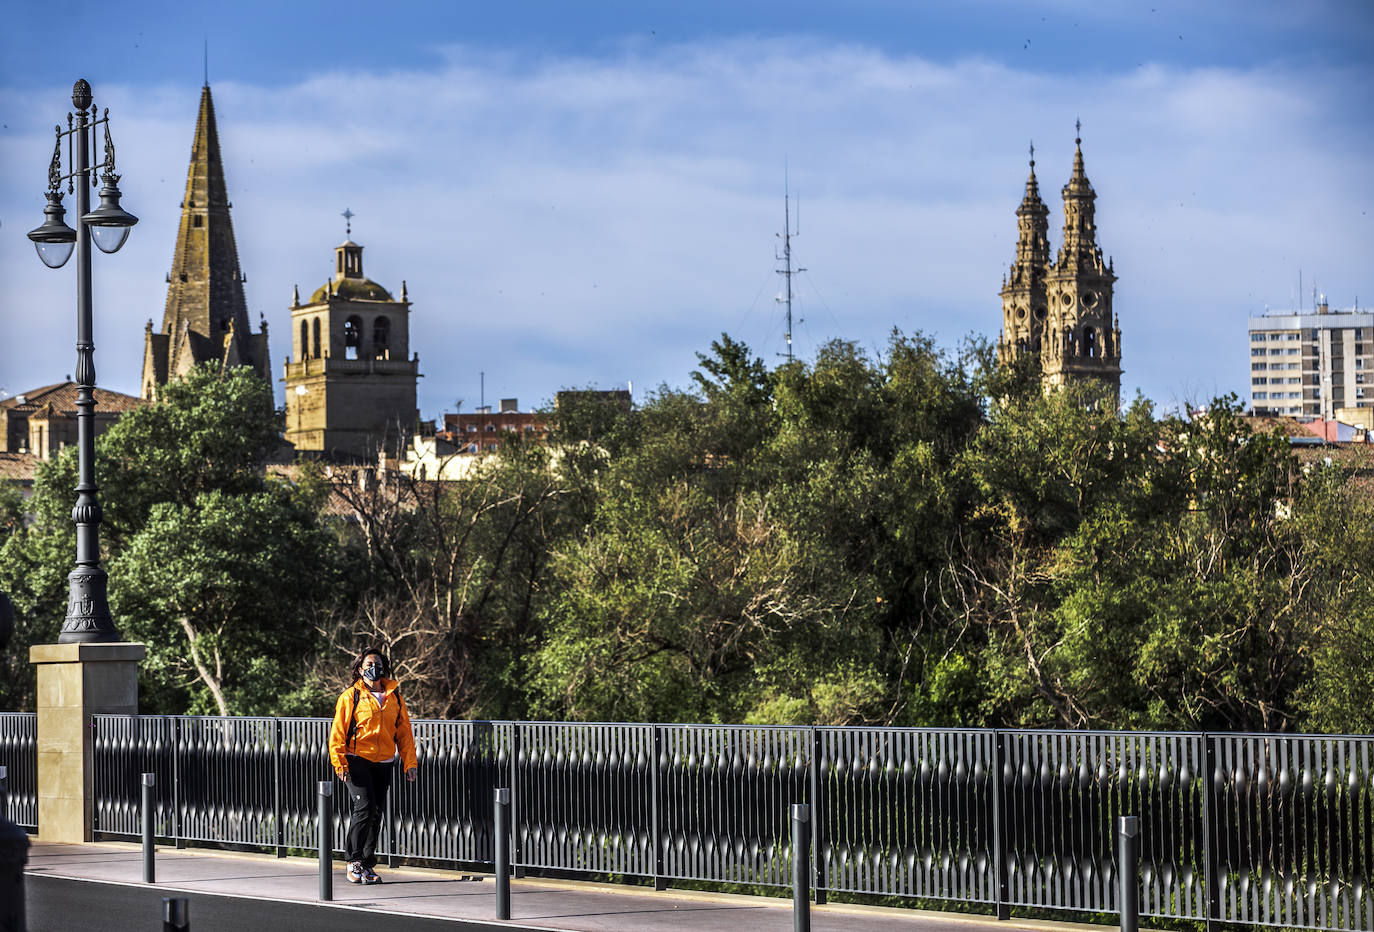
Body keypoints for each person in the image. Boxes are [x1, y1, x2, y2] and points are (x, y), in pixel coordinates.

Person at [328, 645, 418, 884]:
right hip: (357, 759)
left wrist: (410, 763)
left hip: (384, 762)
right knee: (364, 807)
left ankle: (368, 864)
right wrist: (340, 763)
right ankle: (353, 860)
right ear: (359, 669)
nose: (373, 668)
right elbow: (337, 731)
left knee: (376, 813)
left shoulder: (395, 697)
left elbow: (404, 733)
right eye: (368, 665)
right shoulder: (350, 696)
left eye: (377, 664)